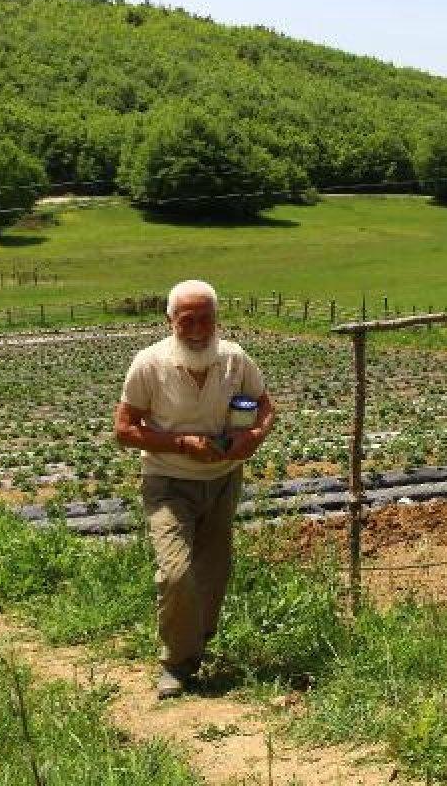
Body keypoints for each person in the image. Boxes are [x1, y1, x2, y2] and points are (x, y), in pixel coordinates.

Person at [116, 280, 276, 699]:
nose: (198, 329)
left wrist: (253, 437)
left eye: (206, 319)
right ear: (170, 321)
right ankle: (175, 663)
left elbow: (264, 404)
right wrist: (180, 443)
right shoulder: (149, 364)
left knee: (214, 570)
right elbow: (124, 429)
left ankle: (194, 648)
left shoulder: (234, 359)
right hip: (168, 481)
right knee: (177, 571)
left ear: (216, 320)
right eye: (187, 320)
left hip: (224, 479)